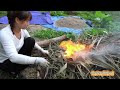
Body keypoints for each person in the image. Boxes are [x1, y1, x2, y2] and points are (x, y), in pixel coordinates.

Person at [0, 11, 50, 78]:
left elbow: (32, 42)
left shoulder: (22, 30)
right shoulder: (5, 34)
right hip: (7, 61)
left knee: (30, 40)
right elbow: (13, 57)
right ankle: (14, 71)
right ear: (17, 20)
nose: (28, 24)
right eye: (27, 21)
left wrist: (42, 50)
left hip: (17, 54)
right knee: (15, 65)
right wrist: (36, 60)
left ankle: (25, 63)